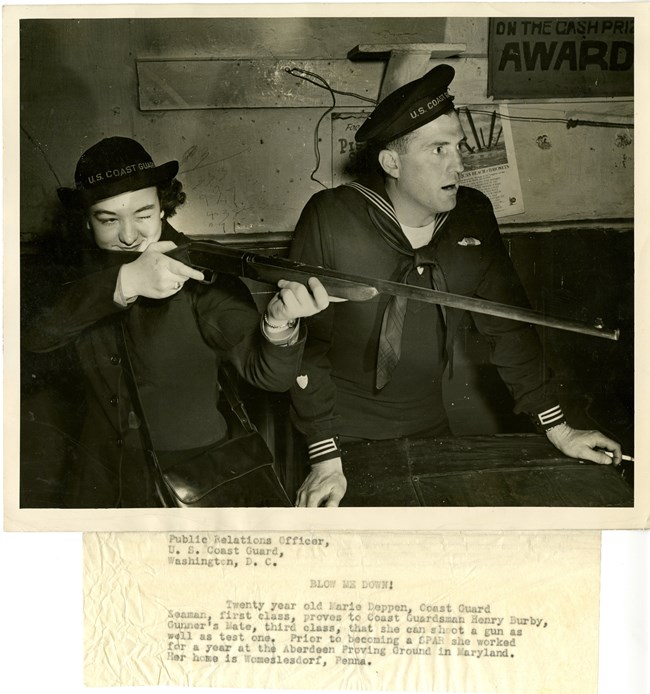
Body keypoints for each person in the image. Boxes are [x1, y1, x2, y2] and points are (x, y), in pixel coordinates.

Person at [288, 64, 622, 507]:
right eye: (438, 150)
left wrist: (559, 428)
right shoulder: (330, 217)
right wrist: (324, 458)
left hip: (430, 427)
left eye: (458, 147)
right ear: (392, 163)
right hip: (339, 440)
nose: (459, 164)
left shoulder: (472, 215)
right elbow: (306, 346)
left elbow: (511, 328)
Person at [24, 136, 329, 508]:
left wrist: (279, 324)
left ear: (164, 207)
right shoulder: (72, 274)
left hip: (192, 480)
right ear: (86, 224)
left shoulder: (201, 272)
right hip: (98, 479)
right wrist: (124, 283)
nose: (128, 235)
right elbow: (34, 337)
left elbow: (270, 376)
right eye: (108, 220)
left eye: (143, 214)